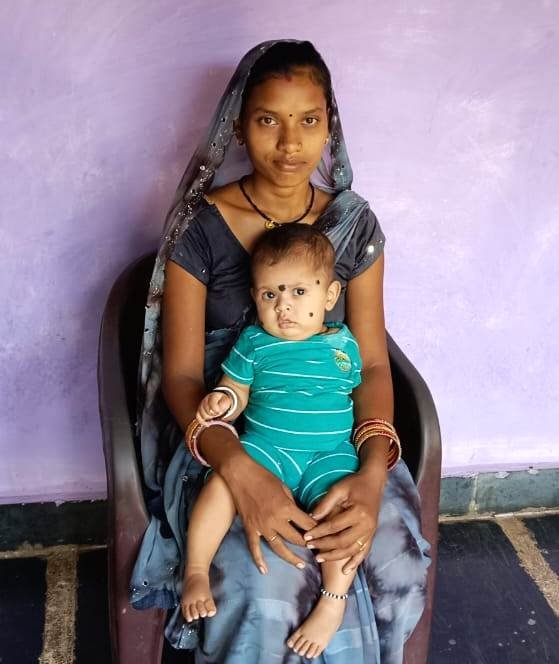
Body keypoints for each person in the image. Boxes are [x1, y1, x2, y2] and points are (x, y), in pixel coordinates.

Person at [130, 39, 430, 663]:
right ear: (240, 127)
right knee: (263, 578)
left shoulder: (353, 227)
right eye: (269, 120)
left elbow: (373, 363)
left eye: (309, 120)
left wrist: (371, 477)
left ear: (329, 128)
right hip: (225, 434)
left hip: (334, 438)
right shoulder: (199, 228)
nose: (290, 143)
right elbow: (181, 379)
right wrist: (242, 473)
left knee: (390, 558)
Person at [182, 224, 391, 660]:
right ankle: (196, 570)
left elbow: (361, 389)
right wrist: (223, 401)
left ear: (329, 296)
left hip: (328, 454)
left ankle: (333, 601)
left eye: (298, 292)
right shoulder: (254, 343)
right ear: (254, 297)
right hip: (266, 449)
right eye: (270, 294)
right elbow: (237, 391)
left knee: (342, 518)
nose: (284, 306)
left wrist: (371, 453)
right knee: (219, 486)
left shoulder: (343, 344)